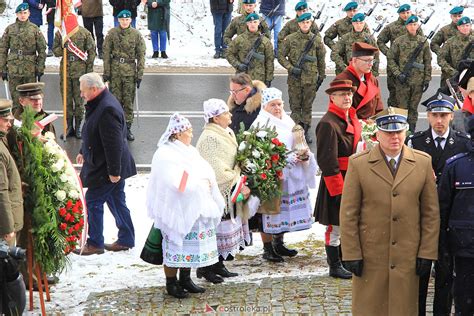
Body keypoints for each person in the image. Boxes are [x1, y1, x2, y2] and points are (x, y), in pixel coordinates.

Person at [340, 107, 440, 315]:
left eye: (399, 131)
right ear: (377, 134)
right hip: (371, 254)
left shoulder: (422, 162)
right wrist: (351, 253)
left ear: (406, 132)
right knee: (370, 308)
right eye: (388, 132)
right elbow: (349, 214)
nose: (394, 137)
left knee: (403, 308)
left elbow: (430, 214)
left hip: (407, 255)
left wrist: (427, 252)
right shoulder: (359, 164)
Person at [146, 113, 224, 298]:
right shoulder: (165, 153)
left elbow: (202, 169)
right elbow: (172, 181)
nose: (192, 134)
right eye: (189, 131)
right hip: (176, 209)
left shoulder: (190, 150)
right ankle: (171, 282)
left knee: (189, 246)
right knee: (175, 245)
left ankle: (186, 278)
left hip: (195, 207)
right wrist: (196, 185)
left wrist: (207, 182)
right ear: (178, 134)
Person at [407, 92, 470, 316]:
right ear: (428, 116)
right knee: (419, 274)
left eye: (444, 115)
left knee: (445, 275)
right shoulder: (415, 142)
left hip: (448, 218)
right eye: (435, 115)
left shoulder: (463, 143)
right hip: (421, 216)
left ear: (452, 116)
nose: (439, 121)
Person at [250, 87, 317, 263]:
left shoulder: (287, 120)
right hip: (272, 176)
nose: (277, 108)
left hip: (291, 176)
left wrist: (303, 154)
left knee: (283, 212)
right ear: (265, 106)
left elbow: (297, 141)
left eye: (279, 104)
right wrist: (284, 160)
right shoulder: (260, 124)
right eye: (273, 105)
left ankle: (279, 243)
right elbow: (259, 153)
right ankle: (267, 248)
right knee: (269, 211)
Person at [74, 72, 137, 256]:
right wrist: (83, 151)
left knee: (93, 201)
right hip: (106, 164)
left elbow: (114, 143)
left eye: (83, 91)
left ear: (94, 89)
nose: (81, 94)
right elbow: (92, 129)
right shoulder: (99, 102)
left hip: (108, 167)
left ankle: (95, 243)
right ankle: (126, 239)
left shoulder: (107, 108)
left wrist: (114, 172)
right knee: (117, 201)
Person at [196, 99, 251, 283]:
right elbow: (216, 170)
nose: (230, 115)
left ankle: (219, 263)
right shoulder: (209, 138)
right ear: (216, 117)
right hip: (218, 192)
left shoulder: (225, 131)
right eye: (226, 113)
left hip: (229, 189)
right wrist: (236, 180)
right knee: (215, 230)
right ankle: (206, 268)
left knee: (224, 228)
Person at [314, 79, 360, 280]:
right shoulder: (328, 123)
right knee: (336, 224)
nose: (347, 98)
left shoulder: (349, 117)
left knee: (348, 222)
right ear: (332, 98)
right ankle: (334, 265)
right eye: (342, 94)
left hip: (352, 176)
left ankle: (343, 259)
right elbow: (326, 161)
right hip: (338, 180)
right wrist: (338, 191)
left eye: (349, 94)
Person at [438, 116, 474, 315]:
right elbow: (442, 209)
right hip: (464, 250)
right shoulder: (456, 166)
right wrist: (442, 246)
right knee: (464, 304)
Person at [278, 12, 325, 144]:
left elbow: (321, 59)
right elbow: (280, 56)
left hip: (310, 79)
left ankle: (306, 129)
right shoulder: (290, 39)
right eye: (303, 22)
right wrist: (291, 68)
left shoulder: (316, 40)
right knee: (295, 107)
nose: (305, 24)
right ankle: (296, 131)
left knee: (307, 106)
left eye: (308, 22)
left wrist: (321, 75)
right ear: (298, 24)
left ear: (310, 23)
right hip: (295, 80)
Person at [103, 9, 146, 141]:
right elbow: (106, 54)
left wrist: (139, 75)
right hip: (115, 72)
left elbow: (141, 55)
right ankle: (116, 128)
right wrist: (107, 73)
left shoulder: (136, 35)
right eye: (122, 20)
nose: (124, 22)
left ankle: (127, 128)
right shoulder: (112, 34)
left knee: (128, 102)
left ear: (130, 20)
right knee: (115, 102)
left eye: (127, 19)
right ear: (118, 20)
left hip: (129, 73)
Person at [387, 15, 432, 133]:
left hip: (418, 82)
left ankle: (411, 132)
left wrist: (427, 78)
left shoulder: (423, 42)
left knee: (413, 109)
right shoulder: (399, 41)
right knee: (402, 109)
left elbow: (428, 61)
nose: (413, 26)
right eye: (410, 24)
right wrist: (398, 74)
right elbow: (391, 59)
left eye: (415, 24)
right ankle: (401, 132)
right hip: (403, 82)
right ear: (406, 26)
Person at [0, 3, 47, 110]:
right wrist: (2, 68)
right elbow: (2, 49)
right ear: (16, 14)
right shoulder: (10, 29)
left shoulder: (35, 29)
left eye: (25, 13)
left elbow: (42, 50)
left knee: (30, 101)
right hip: (13, 69)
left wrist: (40, 68)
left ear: (29, 14)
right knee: (16, 102)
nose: (22, 15)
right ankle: (16, 125)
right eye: (20, 13)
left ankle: (29, 126)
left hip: (29, 70)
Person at [53, 26, 96, 139]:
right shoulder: (61, 33)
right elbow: (55, 51)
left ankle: (78, 128)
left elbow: (92, 51)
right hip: (65, 71)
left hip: (80, 71)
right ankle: (69, 127)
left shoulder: (84, 32)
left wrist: (89, 71)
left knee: (79, 101)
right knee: (66, 101)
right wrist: (64, 48)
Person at [377, 4, 422, 108]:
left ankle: (407, 121)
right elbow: (380, 41)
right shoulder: (391, 27)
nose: (406, 15)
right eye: (403, 13)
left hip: (411, 68)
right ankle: (392, 119)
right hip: (395, 66)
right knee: (394, 95)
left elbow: (421, 44)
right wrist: (389, 53)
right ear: (399, 14)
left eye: (408, 12)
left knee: (409, 97)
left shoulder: (415, 26)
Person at [335, 42, 383, 119]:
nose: (371, 64)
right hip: (352, 127)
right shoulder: (342, 80)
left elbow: (379, 108)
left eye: (372, 61)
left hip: (372, 127)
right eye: (367, 61)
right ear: (355, 60)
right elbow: (340, 113)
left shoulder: (373, 80)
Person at [226, 13, 274, 85]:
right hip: (242, 78)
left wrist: (268, 79)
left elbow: (269, 61)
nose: (252, 24)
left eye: (255, 22)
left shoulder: (265, 41)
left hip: (259, 79)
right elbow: (229, 54)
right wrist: (238, 65)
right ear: (247, 24)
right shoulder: (239, 39)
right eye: (250, 22)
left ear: (258, 23)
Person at [0, 99, 23, 247]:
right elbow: (1, 191)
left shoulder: (2, 139)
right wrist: (8, 228)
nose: (9, 124)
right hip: (5, 225)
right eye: (5, 120)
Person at [438, 17, 473, 91]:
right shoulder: (450, 42)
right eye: (462, 26)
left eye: (467, 25)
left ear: (470, 26)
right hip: (455, 78)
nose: (465, 28)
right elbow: (440, 59)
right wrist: (452, 72)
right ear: (458, 27)